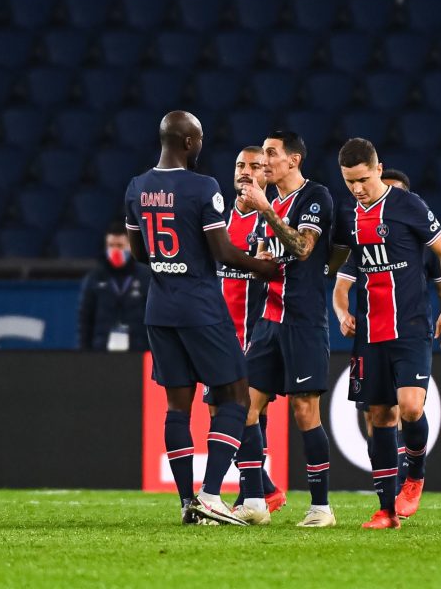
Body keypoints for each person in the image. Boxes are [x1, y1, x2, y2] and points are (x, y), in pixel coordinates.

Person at [124, 111, 278, 526]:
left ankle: (186, 502)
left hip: (159, 309)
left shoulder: (137, 187)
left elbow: (139, 254)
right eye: (201, 139)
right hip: (200, 308)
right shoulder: (203, 186)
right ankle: (211, 496)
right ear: (190, 143)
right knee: (237, 396)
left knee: (177, 406)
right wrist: (262, 268)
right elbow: (223, 252)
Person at [333, 138, 441, 530]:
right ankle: (386, 511)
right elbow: (338, 276)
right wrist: (340, 309)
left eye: (363, 179)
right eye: (349, 181)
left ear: (377, 168)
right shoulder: (349, 218)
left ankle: (416, 473)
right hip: (370, 333)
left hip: (409, 328)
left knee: (410, 407)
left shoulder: (409, 206)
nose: (357, 189)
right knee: (379, 415)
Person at [233, 131, 336, 527]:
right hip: (269, 320)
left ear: (293, 160)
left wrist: (264, 210)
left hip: (304, 320)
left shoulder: (315, 197)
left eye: (272, 154)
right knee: (244, 406)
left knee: (305, 411)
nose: (265, 160)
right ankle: (256, 500)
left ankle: (321, 507)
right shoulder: (272, 203)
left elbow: (305, 248)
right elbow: (269, 260)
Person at [208, 147, 286, 514]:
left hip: (255, 333)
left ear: (268, 173)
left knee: (246, 411)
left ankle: (253, 493)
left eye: (255, 166)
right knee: (218, 413)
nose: (246, 171)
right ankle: (263, 488)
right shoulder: (217, 217)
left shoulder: (272, 221)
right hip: (218, 333)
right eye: (240, 165)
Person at [77, 222, 151, 351]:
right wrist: (84, 354)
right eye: (111, 245)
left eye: (120, 245)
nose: (115, 250)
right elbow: (85, 320)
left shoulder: (145, 277)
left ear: (130, 246)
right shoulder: (95, 278)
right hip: (102, 351)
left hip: (138, 351)